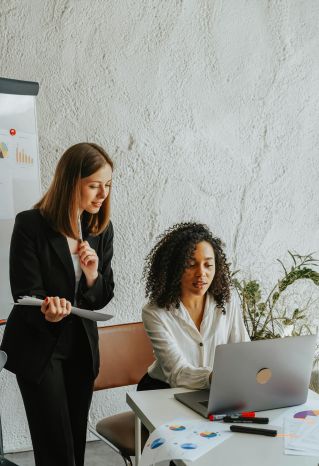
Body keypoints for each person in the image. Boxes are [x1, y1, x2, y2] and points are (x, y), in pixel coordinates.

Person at [1, 142, 114, 466]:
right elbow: (24, 292)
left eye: (107, 185)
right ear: (70, 182)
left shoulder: (99, 230)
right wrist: (49, 314)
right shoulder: (30, 225)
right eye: (94, 185)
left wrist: (92, 276)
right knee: (55, 448)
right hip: (40, 345)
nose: (102, 194)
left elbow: (102, 296)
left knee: (75, 442)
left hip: (80, 346)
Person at [137, 222, 249, 391]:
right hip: (163, 390)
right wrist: (216, 377)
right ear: (174, 268)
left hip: (214, 388)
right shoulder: (155, 312)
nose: (201, 273)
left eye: (208, 265)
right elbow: (177, 373)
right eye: (191, 265)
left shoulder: (227, 300)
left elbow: (243, 351)